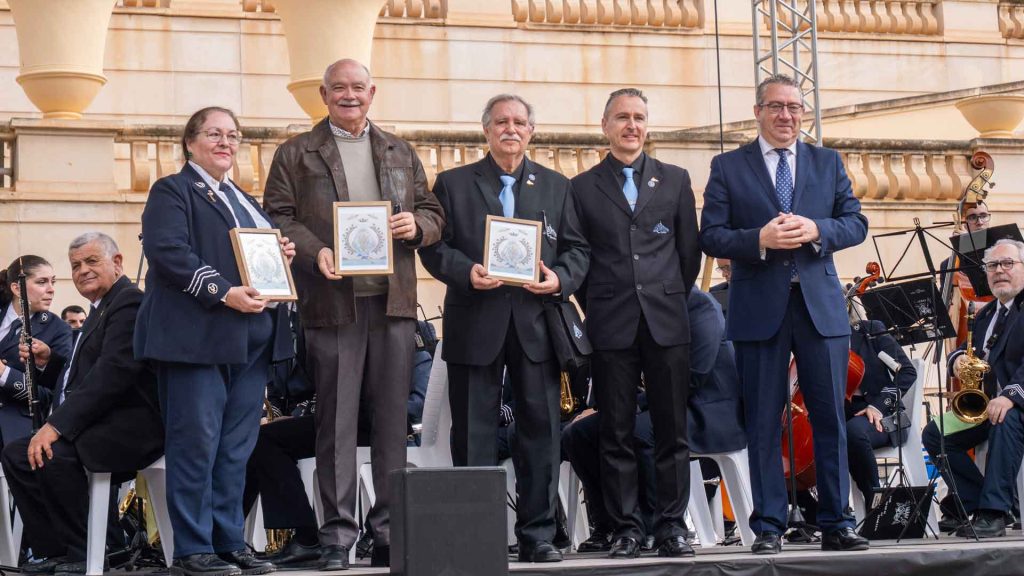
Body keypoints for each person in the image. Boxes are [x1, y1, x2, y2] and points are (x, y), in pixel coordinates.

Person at [263, 59, 444, 570]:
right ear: (323, 94)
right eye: (338, 87)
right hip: (332, 303)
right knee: (335, 424)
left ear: (372, 92)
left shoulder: (400, 151)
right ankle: (338, 536)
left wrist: (417, 224)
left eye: (358, 87)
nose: (349, 95)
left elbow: (433, 212)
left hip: (393, 304)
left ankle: (388, 534)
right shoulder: (295, 153)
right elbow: (277, 215)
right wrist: (314, 250)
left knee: (391, 424)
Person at [700, 73, 869, 555]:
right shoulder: (728, 167)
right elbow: (710, 234)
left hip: (821, 310)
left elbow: (855, 222)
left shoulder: (826, 161)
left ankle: (838, 522)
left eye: (795, 108)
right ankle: (769, 526)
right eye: (776, 107)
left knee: (829, 419)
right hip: (759, 311)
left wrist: (818, 228)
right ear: (758, 112)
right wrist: (758, 239)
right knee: (763, 422)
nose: (787, 116)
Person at [418, 93, 588, 563]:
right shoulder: (452, 184)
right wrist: (466, 271)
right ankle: (477, 535)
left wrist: (560, 278)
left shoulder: (557, 185)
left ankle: (537, 535)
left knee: (540, 431)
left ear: (531, 131)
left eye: (519, 122)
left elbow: (577, 249)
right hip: (475, 320)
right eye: (500, 122)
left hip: (537, 326)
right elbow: (434, 248)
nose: (510, 129)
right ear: (486, 131)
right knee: (472, 434)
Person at [135, 106, 296, 576]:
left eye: (232, 135)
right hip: (196, 339)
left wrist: (277, 252)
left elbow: (251, 256)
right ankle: (192, 550)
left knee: (235, 449)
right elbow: (167, 252)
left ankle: (229, 542)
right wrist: (223, 292)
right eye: (214, 134)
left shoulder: (245, 200)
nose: (225, 142)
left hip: (252, 340)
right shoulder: (172, 190)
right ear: (190, 142)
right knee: (195, 445)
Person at [569, 88, 700, 559]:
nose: (631, 125)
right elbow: (579, 258)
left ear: (648, 125)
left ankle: (670, 527)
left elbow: (689, 255)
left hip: (666, 320)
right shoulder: (581, 187)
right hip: (610, 321)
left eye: (639, 117)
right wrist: (601, 303)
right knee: (615, 431)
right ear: (605, 125)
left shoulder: (674, 178)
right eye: (622, 117)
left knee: (671, 432)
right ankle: (625, 527)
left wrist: (665, 296)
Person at [1, 232, 164, 576]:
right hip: (98, 423)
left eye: (92, 261)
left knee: (52, 454)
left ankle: (84, 551)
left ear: (118, 262)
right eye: (75, 265)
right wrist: (52, 361)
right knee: (17, 455)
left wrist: (56, 426)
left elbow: (114, 374)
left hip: (130, 426)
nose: (82, 271)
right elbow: (83, 375)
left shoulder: (128, 302)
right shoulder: (100, 307)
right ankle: (55, 550)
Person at [922, 239, 1024, 537]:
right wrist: (955, 361)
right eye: (992, 265)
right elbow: (971, 352)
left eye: (1008, 264)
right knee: (935, 434)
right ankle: (980, 503)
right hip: (992, 407)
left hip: (1015, 403)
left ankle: (993, 513)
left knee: (1004, 418)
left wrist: (1011, 395)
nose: (999, 271)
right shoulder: (986, 314)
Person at [0, 256, 72, 448]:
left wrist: (5, 374)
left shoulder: (58, 329)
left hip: (15, 434)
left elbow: (51, 396)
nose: (51, 289)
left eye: (53, 282)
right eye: (42, 282)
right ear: (16, 288)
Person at [846, 318, 916, 508]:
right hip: (844, 415)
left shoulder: (870, 331)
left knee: (852, 433)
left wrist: (878, 406)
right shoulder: (815, 341)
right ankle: (811, 512)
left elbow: (907, 372)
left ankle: (875, 502)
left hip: (886, 415)